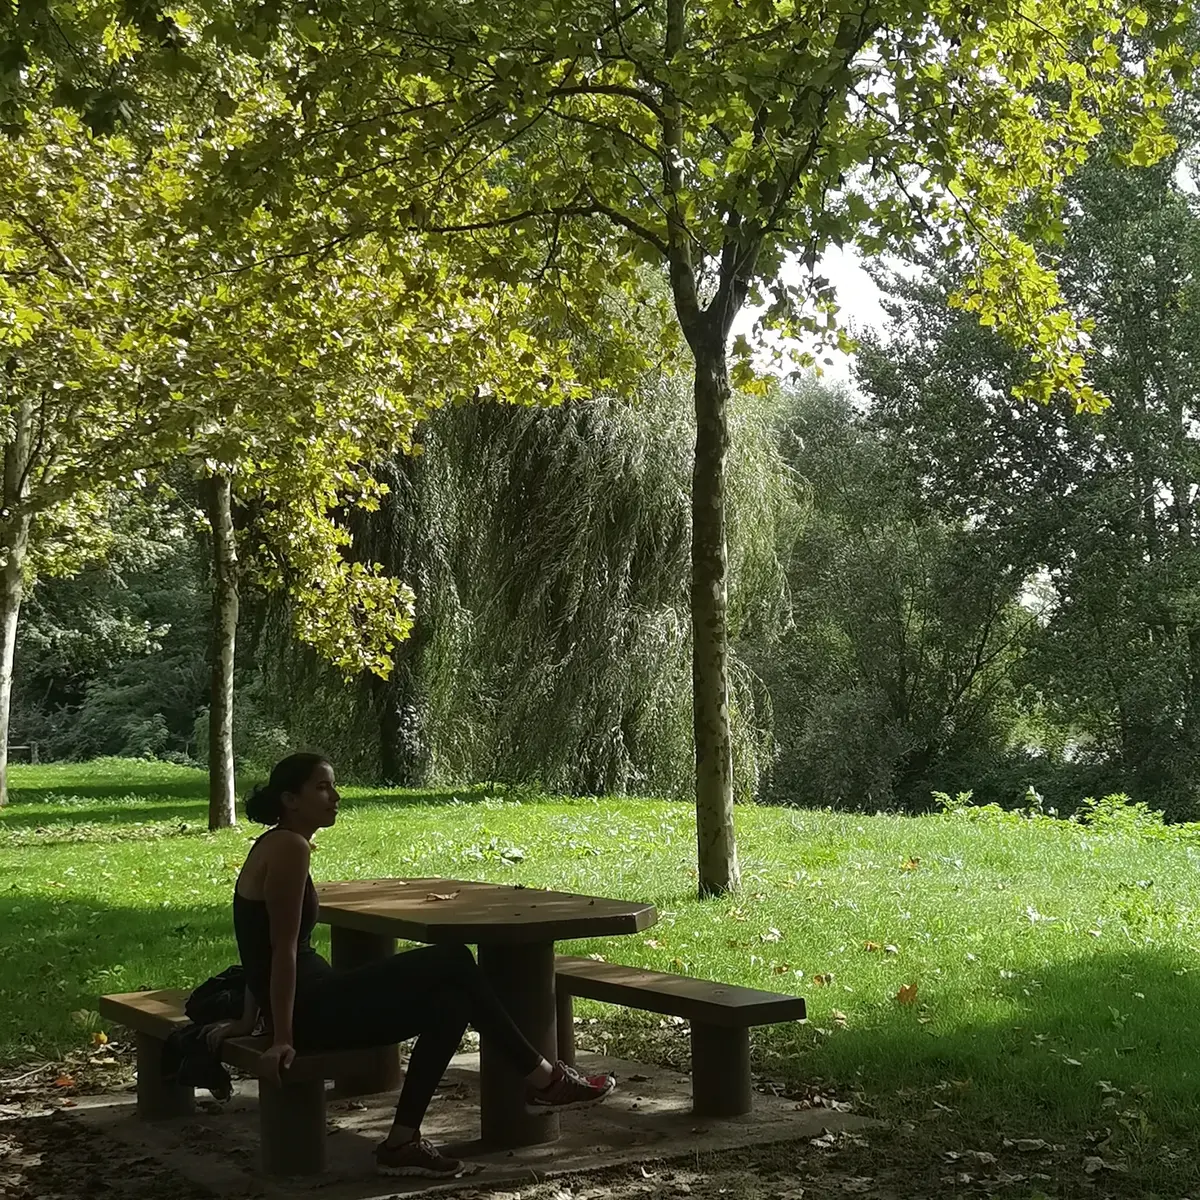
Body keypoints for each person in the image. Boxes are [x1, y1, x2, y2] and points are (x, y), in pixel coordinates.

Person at [203, 752, 615, 1178]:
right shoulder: (288, 847)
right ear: (290, 799)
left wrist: (250, 1018)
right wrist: (281, 1037)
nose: (336, 796)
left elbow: (259, 949)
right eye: (323, 787)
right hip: (312, 1008)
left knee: (453, 1002)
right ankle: (544, 1081)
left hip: (313, 999)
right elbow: (281, 949)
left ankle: (403, 1140)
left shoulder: (277, 843)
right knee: (454, 956)